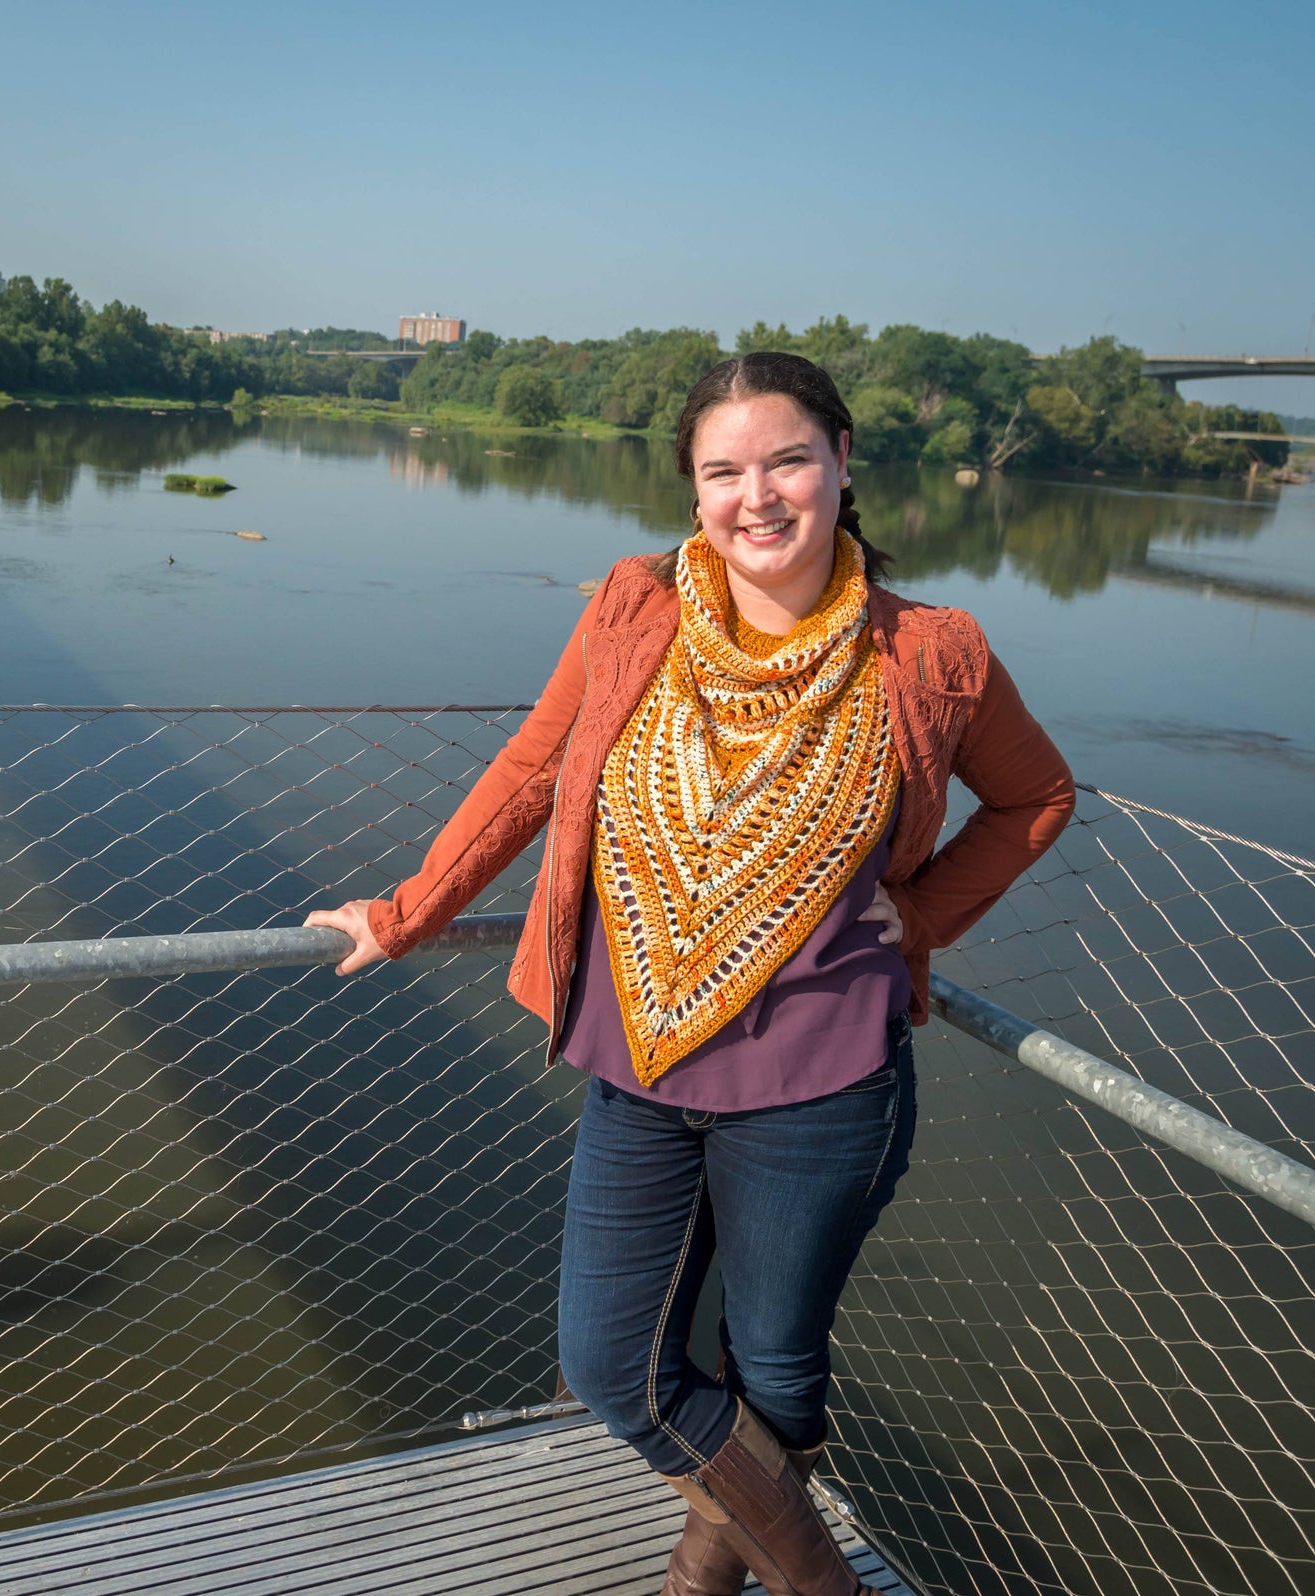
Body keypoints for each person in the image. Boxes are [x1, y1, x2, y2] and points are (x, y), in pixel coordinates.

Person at [306, 352, 1075, 1596]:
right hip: (640, 1061)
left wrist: (922, 914)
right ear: (692, 489)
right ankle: (821, 1581)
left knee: (774, 1374)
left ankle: (696, 1580)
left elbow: (1035, 796)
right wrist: (405, 913)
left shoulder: (932, 652)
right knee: (615, 1363)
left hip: (827, 1085)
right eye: (723, 470)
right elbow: (531, 771)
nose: (755, 496)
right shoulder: (635, 605)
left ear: (840, 461)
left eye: (784, 460)